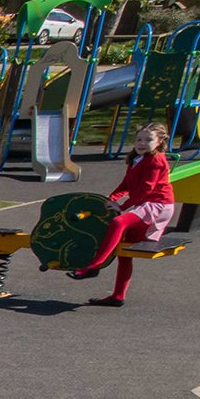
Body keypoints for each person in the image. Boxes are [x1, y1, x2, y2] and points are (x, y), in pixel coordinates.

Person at [64, 121, 172, 308]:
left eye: (148, 140)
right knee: (124, 249)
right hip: (145, 203)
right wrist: (112, 198)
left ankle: (94, 265)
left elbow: (146, 189)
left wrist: (122, 206)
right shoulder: (136, 159)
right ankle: (118, 296)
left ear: (160, 141)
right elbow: (126, 184)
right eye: (139, 139)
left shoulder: (155, 159)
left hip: (157, 205)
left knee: (118, 223)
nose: (142, 143)